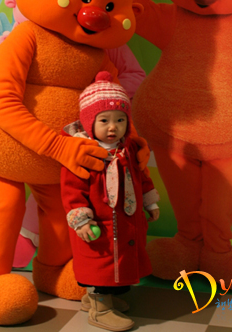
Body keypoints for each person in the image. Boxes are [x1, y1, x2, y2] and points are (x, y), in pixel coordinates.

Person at [61, 71, 160, 331]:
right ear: (89, 122)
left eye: (120, 120)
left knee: (120, 260)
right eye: (104, 120)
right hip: (97, 225)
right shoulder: (83, 152)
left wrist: (150, 202)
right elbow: (72, 190)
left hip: (125, 221)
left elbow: (142, 177)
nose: (113, 127)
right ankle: (99, 308)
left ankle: (99, 299)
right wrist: (81, 220)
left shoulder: (129, 149)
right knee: (100, 263)